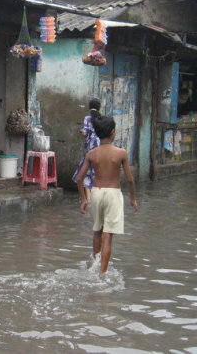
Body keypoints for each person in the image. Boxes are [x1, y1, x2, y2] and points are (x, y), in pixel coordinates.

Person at [76, 115, 138, 275]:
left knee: (97, 231)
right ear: (113, 133)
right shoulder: (121, 153)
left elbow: (79, 178)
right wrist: (133, 198)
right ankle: (102, 273)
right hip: (113, 194)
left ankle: (95, 265)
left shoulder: (92, 154)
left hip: (96, 193)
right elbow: (130, 180)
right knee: (108, 235)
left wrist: (83, 199)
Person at [72, 99, 101, 204]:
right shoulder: (102, 118)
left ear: (89, 107)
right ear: (99, 108)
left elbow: (84, 133)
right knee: (98, 172)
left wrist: (84, 133)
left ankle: (88, 199)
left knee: (86, 172)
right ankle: (97, 198)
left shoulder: (88, 118)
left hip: (90, 148)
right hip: (101, 147)